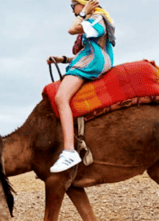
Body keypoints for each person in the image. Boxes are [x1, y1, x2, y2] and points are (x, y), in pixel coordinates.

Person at [47, 0, 115, 173]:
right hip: (90, 60)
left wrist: (83, 12)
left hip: (92, 62)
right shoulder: (94, 20)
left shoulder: (98, 18)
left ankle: (69, 151)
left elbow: (71, 30)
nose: (73, 10)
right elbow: (84, 52)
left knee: (61, 97)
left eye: (73, 5)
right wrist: (62, 59)